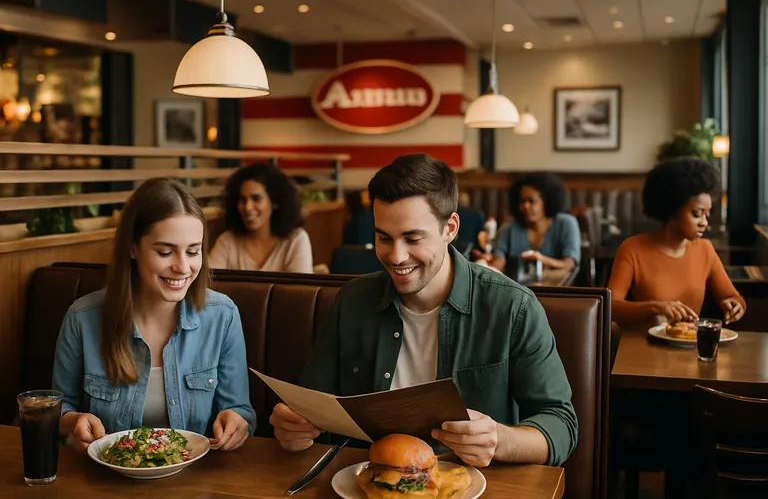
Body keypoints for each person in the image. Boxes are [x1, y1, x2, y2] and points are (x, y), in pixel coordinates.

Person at [269, 154, 577, 468]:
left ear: (450, 228)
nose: (396, 256)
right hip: (364, 481)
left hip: (475, 484)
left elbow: (561, 426)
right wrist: (295, 427)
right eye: (383, 237)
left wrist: (500, 439)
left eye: (413, 238)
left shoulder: (513, 307)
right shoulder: (352, 300)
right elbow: (310, 404)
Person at [52, 178, 256, 451]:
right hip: (106, 472)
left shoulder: (223, 316)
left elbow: (240, 410)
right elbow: (59, 409)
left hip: (195, 472)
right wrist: (71, 421)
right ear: (132, 247)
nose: (183, 267)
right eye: (165, 252)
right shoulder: (82, 318)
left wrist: (237, 421)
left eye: (193, 251)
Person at [608, 157, 745, 326]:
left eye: (706, 214)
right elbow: (611, 307)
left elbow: (732, 296)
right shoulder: (632, 249)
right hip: (643, 340)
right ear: (672, 210)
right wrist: (655, 308)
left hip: (690, 340)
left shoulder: (705, 249)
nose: (704, 222)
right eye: (696, 214)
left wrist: (735, 304)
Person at [210, 163, 313, 273]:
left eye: (256, 198)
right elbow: (206, 280)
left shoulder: (295, 239)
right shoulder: (227, 241)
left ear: (274, 202)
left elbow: (300, 284)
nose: (248, 207)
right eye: (243, 200)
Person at [491, 173, 581, 277]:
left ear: (546, 201)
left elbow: (570, 264)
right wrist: (487, 264)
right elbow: (498, 262)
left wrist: (542, 260)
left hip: (559, 286)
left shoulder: (566, 223)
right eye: (522, 201)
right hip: (517, 286)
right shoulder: (508, 229)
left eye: (531, 201)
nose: (525, 206)